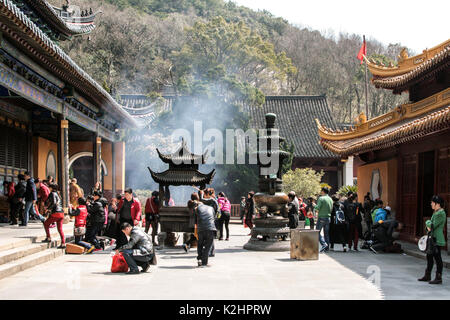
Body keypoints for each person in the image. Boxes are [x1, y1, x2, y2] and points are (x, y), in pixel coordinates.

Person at [418, 195, 446, 285]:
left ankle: (438, 277)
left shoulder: (441, 213)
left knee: (438, 258)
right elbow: (430, 227)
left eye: (432, 202)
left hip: (437, 238)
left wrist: (427, 222)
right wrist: (429, 224)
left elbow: (431, 226)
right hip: (432, 238)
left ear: (437, 204)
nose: (431, 204)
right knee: (429, 256)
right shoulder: (436, 212)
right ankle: (427, 275)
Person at [189, 193, 216, 267]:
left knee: (200, 244)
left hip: (201, 229)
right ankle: (204, 262)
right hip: (211, 228)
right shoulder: (211, 208)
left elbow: (195, 220)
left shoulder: (197, 208)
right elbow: (213, 217)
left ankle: (200, 259)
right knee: (208, 246)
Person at [42, 184, 65, 248]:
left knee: (46, 223)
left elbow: (54, 203)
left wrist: (48, 209)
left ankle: (48, 237)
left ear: (51, 188)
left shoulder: (52, 193)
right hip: (61, 213)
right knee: (60, 229)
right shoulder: (58, 194)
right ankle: (63, 243)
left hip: (56, 213)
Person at [314, 187, 333, 252]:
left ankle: (323, 244)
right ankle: (327, 247)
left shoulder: (321, 198)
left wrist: (314, 206)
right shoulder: (330, 199)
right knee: (326, 233)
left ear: (323, 191)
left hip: (321, 217)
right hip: (328, 217)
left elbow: (317, 207)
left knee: (317, 232)